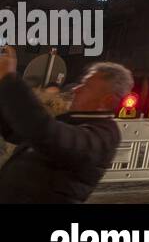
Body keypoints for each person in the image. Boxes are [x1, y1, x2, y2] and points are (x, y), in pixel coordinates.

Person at [0, 48, 131, 203]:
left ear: (107, 101)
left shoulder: (103, 136)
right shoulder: (73, 120)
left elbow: (44, 133)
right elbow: (18, 130)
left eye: (86, 86)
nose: (76, 89)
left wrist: (9, 79)